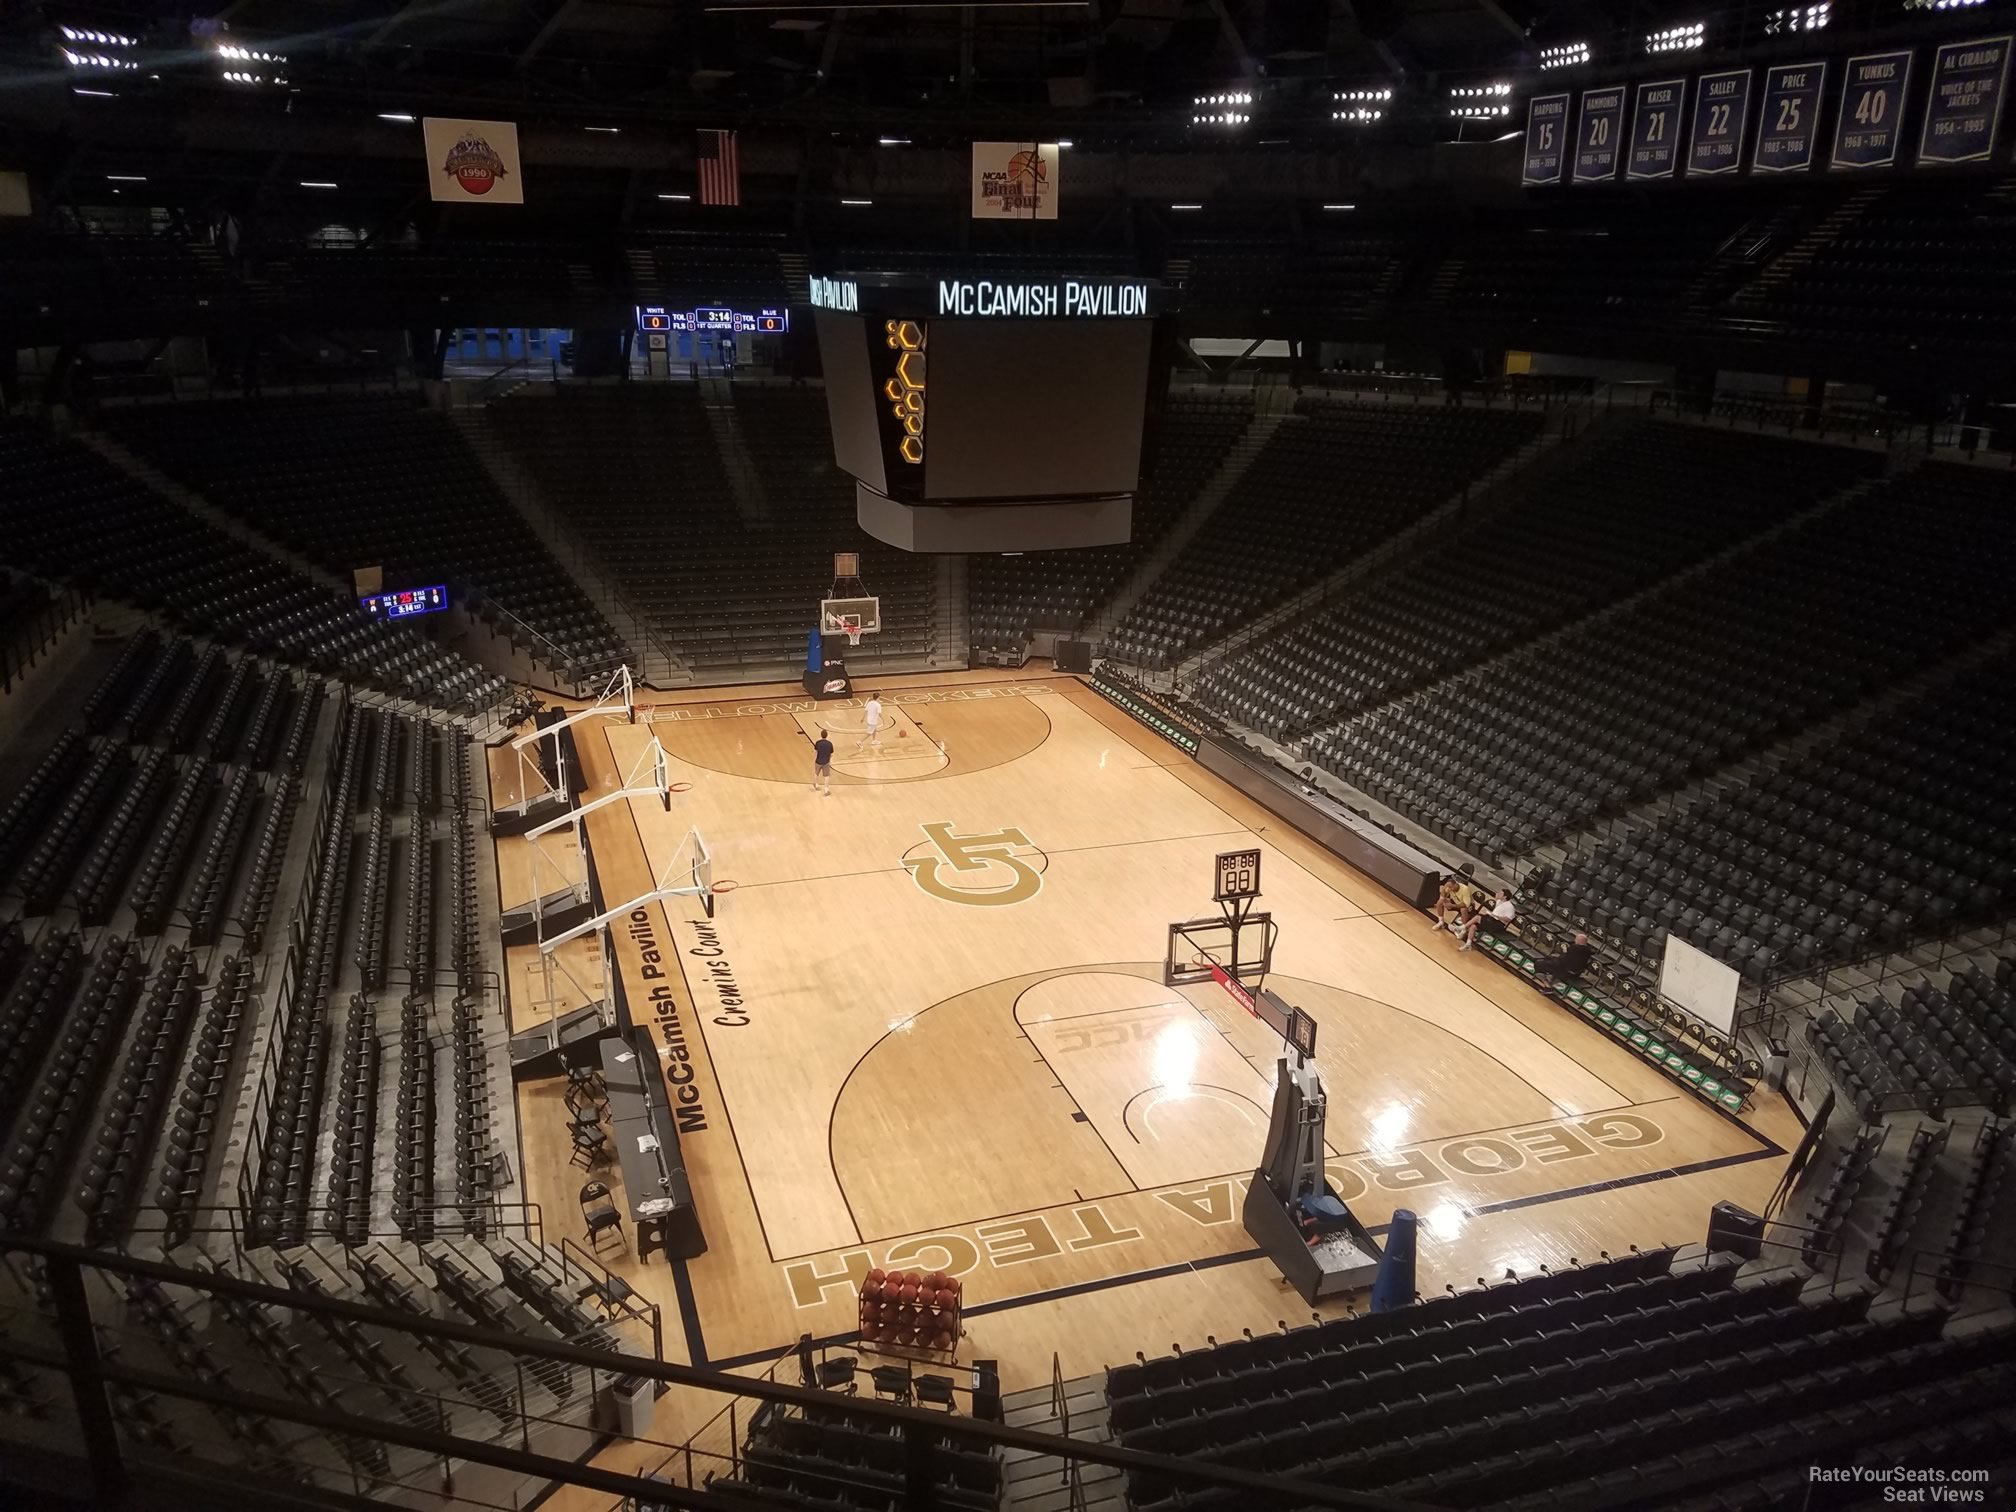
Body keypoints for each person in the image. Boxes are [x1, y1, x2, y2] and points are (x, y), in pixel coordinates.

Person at [811, 729, 834, 795]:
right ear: (827, 735)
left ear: (821, 735)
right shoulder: (829, 744)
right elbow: (831, 754)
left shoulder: (818, 742)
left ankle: (815, 784)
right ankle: (826, 790)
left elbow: (815, 752)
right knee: (826, 776)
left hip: (818, 761)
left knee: (816, 773)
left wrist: (813, 759)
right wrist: (830, 761)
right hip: (826, 762)